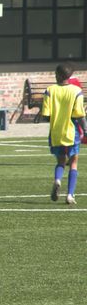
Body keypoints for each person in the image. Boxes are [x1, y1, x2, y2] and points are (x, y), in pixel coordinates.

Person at [42, 64, 87, 205]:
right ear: (69, 76)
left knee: (61, 161)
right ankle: (70, 195)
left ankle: (57, 180)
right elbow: (79, 115)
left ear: (57, 75)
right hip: (71, 132)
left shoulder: (50, 90)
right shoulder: (76, 91)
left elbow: (46, 115)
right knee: (73, 162)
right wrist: (85, 130)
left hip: (56, 132)